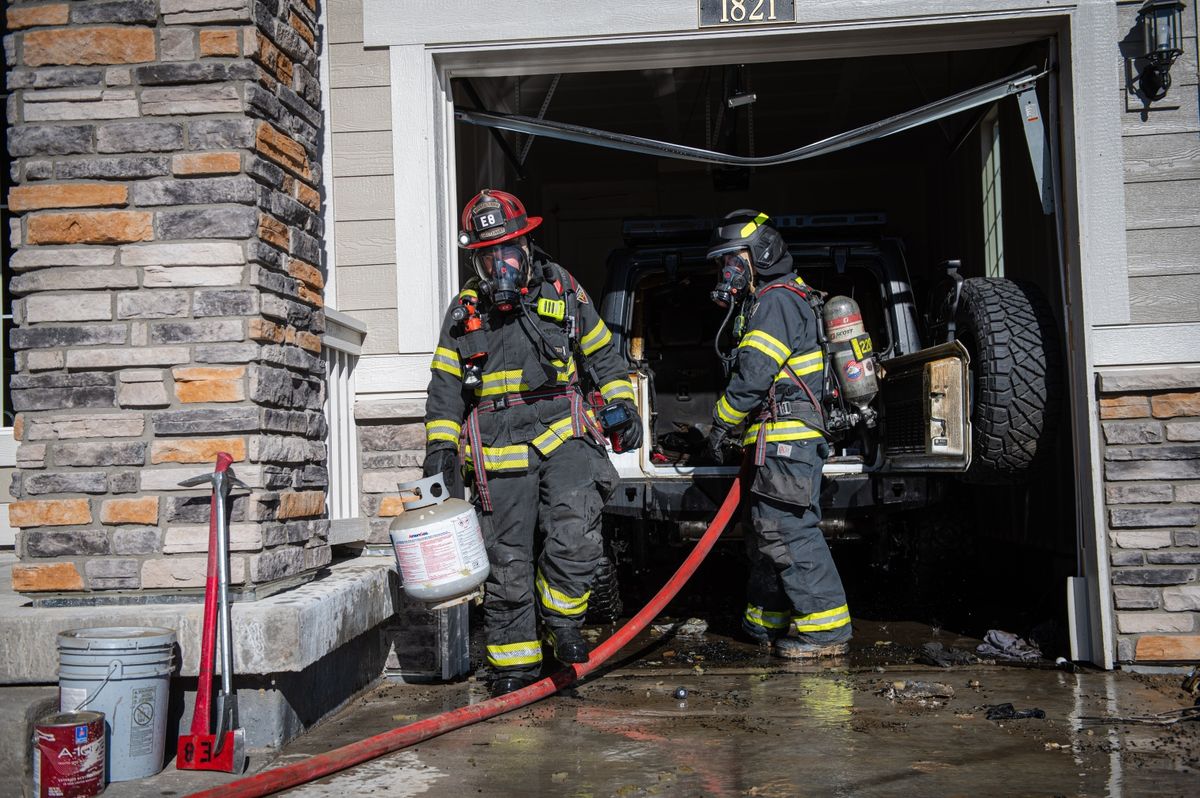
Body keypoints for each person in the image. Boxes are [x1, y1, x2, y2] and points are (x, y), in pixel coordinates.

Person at [422, 189, 643, 696]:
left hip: (564, 434)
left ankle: (562, 619)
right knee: (507, 562)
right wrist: (440, 448)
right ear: (475, 258)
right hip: (497, 450)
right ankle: (515, 667)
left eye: (507, 252)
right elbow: (445, 387)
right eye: (486, 255)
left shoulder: (563, 289)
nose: (499, 265)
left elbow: (604, 357)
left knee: (576, 532)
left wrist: (622, 404)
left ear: (526, 248)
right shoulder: (464, 312)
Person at [703, 210, 852, 658]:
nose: (725, 272)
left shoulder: (776, 300)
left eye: (731, 261)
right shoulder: (766, 301)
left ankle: (826, 632)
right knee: (765, 530)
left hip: (789, 437)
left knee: (787, 529)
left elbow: (753, 375)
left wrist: (721, 424)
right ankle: (763, 622)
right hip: (776, 437)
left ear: (760, 255)